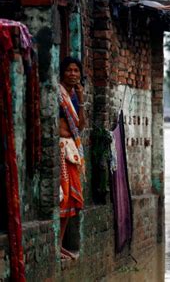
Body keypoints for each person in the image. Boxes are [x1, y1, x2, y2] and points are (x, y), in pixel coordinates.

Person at [58, 57, 86, 260]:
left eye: (76, 70)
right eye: (69, 70)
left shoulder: (75, 96)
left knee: (72, 201)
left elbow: (81, 126)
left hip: (72, 151)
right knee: (63, 197)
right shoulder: (58, 94)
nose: (73, 74)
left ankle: (59, 245)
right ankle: (56, 244)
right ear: (63, 72)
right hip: (60, 149)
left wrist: (82, 100)